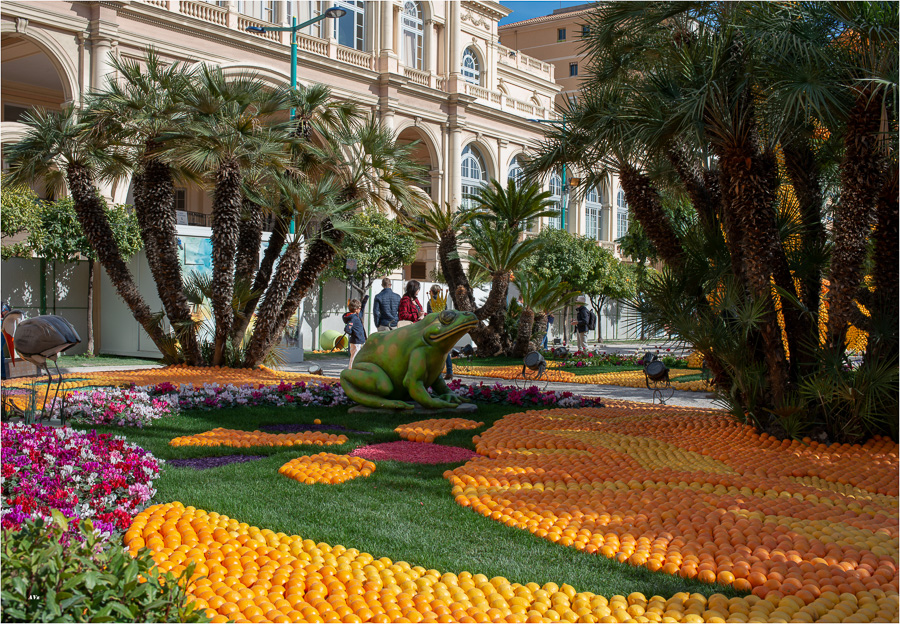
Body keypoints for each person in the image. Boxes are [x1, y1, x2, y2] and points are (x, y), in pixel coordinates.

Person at [426, 285, 453, 380]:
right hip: (443, 327)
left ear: (432, 292)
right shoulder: (443, 302)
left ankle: (434, 373)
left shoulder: (430, 302)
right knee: (445, 350)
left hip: (435, 328)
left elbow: (430, 316)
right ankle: (449, 371)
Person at [342, 298, 367, 368]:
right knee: (354, 356)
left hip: (358, 341)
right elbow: (347, 329)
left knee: (358, 356)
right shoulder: (353, 318)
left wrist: (365, 300)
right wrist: (352, 333)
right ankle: (351, 370)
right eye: (360, 308)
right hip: (356, 341)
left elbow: (361, 311)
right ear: (356, 309)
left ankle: (356, 369)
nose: (360, 309)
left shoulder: (356, 316)